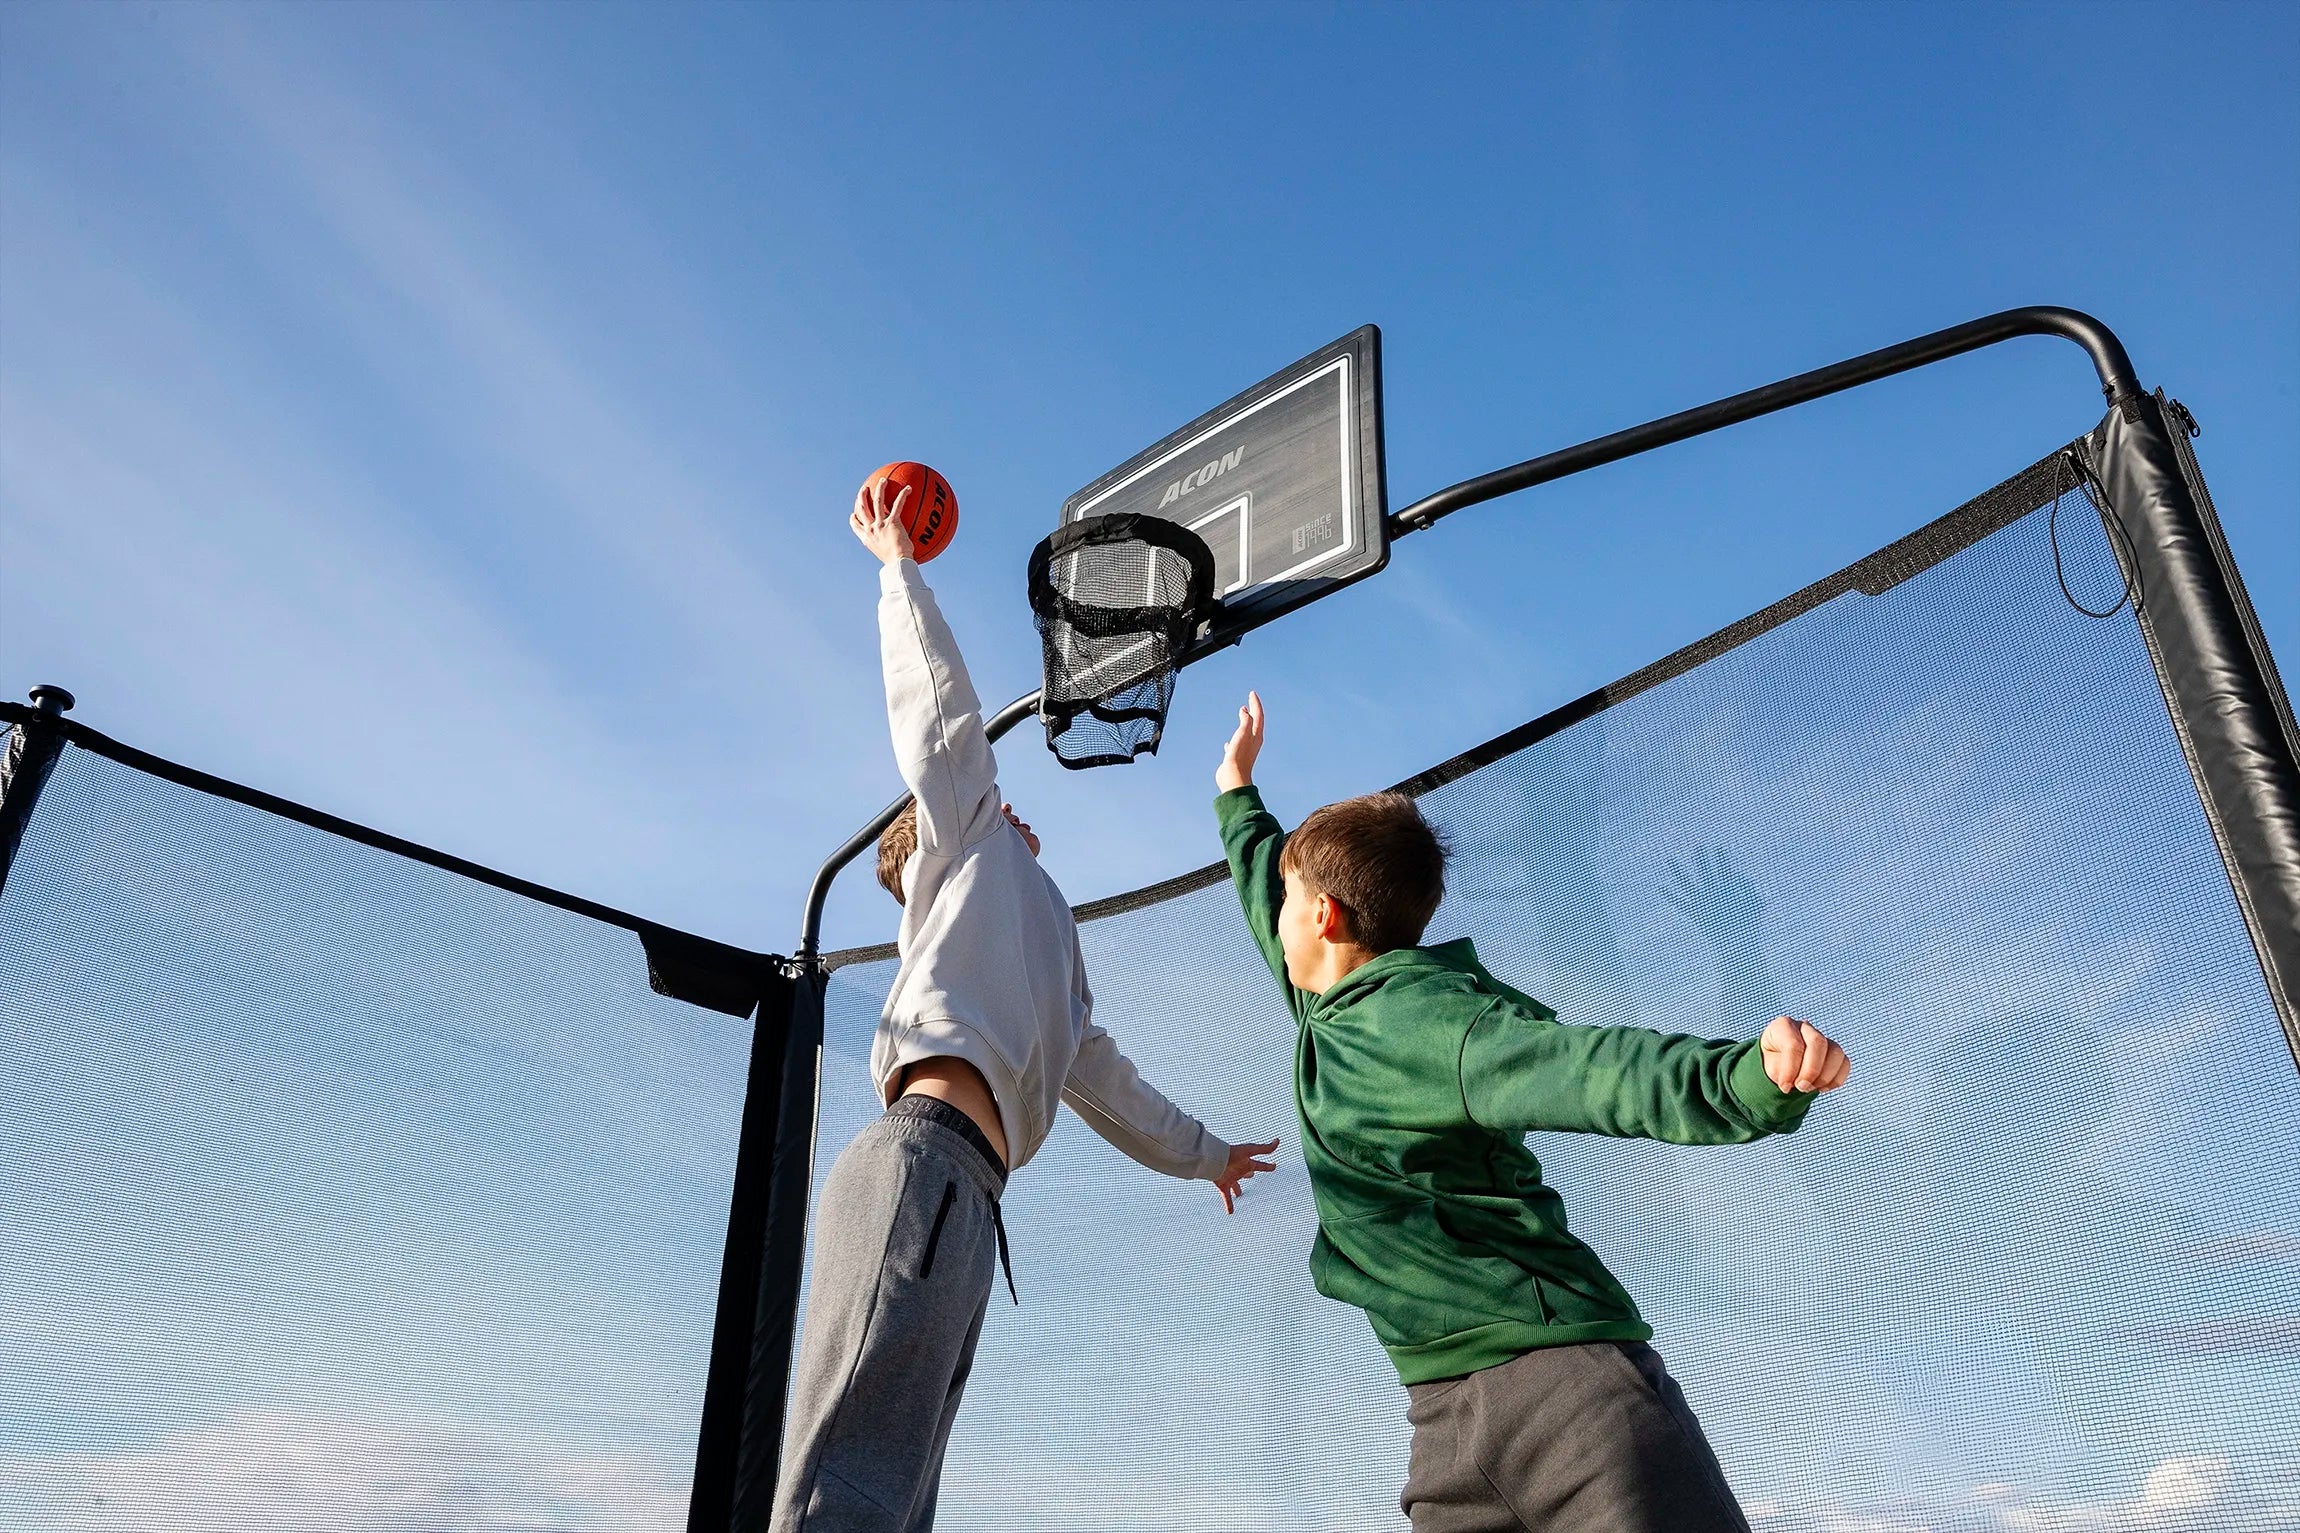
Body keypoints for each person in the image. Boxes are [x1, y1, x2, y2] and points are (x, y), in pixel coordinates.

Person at [1209, 690, 1851, 1533]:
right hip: (1444, 1432)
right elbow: (1267, 888)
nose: (1274, 919)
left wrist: (1743, 1078)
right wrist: (1235, 788)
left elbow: (1589, 1068)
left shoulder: (1434, 1020)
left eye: (1293, 903)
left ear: (1323, 917)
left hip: (1569, 1400)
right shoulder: (1323, 1017)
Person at [771, 483, 1280, 1533]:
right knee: (844, 1489)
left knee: (893, 1492)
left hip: (965, 1193)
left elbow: (1107, 1084)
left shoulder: (1049, 941)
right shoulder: (966, 844)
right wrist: (895, 568)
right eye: (978, 801)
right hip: (918, 1164)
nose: (1004, 803)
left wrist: (1205, 1156)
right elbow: (939, 712)